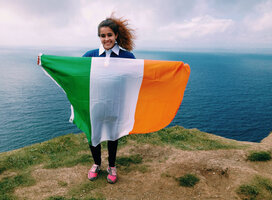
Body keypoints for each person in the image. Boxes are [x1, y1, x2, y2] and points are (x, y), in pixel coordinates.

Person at [83, 15, 136, 184]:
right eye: (103, 36)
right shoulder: (90, 55)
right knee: (94, 136)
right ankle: (97, 163)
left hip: (116, 104)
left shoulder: (127, 57)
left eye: (109, 35)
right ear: (99, 37)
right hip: (94, 103)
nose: (106, 39)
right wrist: (46, 62)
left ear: (116, 36)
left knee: (113, 137)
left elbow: (140, 75)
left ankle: (112, 166)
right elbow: (72, 70)